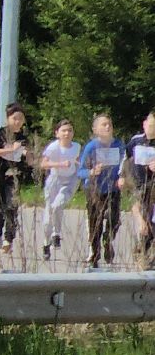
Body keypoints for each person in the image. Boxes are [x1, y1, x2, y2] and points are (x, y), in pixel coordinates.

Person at [78, 114, 124, 267]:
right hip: (94, 189)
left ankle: (108, 240)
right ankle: (95, 254)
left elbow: (124, 166)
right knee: (95, 222)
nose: (107, 127)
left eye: (109, 124)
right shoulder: (91, 147)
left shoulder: (118, 145)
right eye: (103, 124)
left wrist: (122, 177)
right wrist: (92, 172)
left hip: (113, 189)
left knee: (115, 219)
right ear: (95, 129)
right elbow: (80, 171)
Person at [0, 103, 29, 254]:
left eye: (20, 119)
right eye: (14, 118)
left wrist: (29, 155)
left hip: (14, 176)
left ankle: (8, 239)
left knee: (12, 206)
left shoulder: (23, 138)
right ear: (8, 119)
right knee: (0, 205)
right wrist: (11, 149)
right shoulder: (1, 134)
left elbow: (28, 158)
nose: (17, 122)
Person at [37, 118, 80, 264]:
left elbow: (80, 161)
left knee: (59, 205)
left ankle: (57, 233)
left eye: (70, 130)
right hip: (55, 180)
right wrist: (60, 164)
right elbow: (43, 164)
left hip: (70, 181)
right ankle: (46, 242)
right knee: (49, 212)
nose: (67, 133)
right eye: (64, 131)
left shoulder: (77, 147)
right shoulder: (53, 147)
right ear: (57, 133)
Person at [127, 111, 155, 268]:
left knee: (153, 222)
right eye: (149, 124)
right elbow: (125, 157)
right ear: (144, 125)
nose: (150, 127)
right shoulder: (135, 141)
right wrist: (122, 176)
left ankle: (145, 253)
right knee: (143, 218)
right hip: (139, 184)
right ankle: (141, 253)